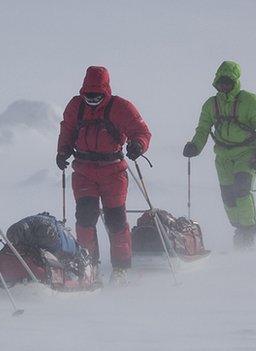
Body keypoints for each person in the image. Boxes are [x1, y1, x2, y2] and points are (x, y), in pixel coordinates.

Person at [56, 66, 151, 285]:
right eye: (89, 95)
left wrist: (138, 145)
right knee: (85, 218)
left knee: (115, 220)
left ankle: (120, 269)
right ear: (83, 91)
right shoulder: (75, 106)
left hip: (113, 171)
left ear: (105, 91)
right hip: (83, 170)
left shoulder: (121, 107)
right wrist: (62, 151)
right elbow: (67, 130)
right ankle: (90, 267)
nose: (92, 99)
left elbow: (142, 131)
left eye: (97, 95)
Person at [182, 61, 256, 249]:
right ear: (216, 82)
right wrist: (194, 146)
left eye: (228, 82)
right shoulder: (211, 104)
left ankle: (248, 231)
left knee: (241, 189)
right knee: (228, 196)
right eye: (221, 82)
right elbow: (203, 129)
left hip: (247, 153)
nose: (224, 85)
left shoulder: (250, 101)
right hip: (223, 156)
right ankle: (239, 229)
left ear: (235, 82)